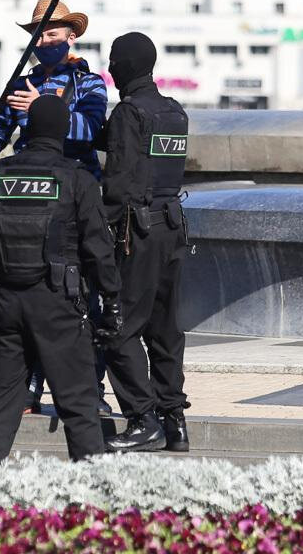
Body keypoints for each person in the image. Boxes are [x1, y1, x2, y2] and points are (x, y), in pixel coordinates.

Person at [0, 95, 122, 460]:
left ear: (29, 129)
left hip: (5, 303)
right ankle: (92, 484)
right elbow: (99, 250)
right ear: (63, 131)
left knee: (1, 395)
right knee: (78, 399)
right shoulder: (77, 179)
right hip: (58, 302)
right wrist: (112, 302)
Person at [0, 0, 111, 416]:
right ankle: (27, 388)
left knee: (84, 298)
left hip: (75, 197)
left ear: (71, 37)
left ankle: (89, 388)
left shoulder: (89, 83)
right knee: (28, 295)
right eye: (38, 34)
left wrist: (41, 107)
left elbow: (91, 130)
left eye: (51, 34)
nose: (43, 42)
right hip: (27, 201)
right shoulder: (21, 81)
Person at [100, 32, 191, 454]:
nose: (111, 68)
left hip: (138, 233)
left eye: (114, 61)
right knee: (165, 329)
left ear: (126, 65)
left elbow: (119, 185)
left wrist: (98, 234)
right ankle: (175, 423)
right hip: (173, 227)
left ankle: (142, 419)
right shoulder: (174, 112)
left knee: (117, 327)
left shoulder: (129, 113)